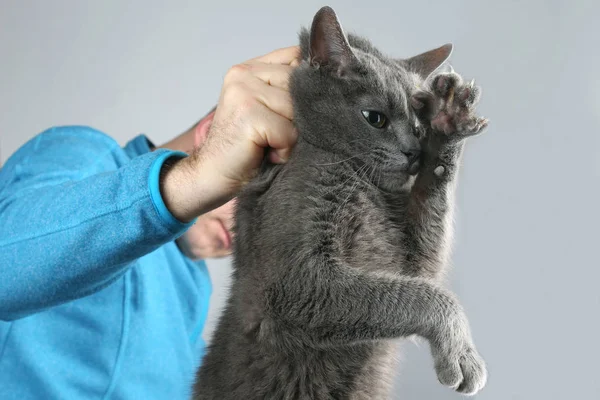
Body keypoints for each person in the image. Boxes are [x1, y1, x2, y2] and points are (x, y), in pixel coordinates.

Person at [0, 46, 299, 399]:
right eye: (255, 192)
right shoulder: (90, 156)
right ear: (213, 135)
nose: (245, 230)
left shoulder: (195, 293)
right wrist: (195, 180)